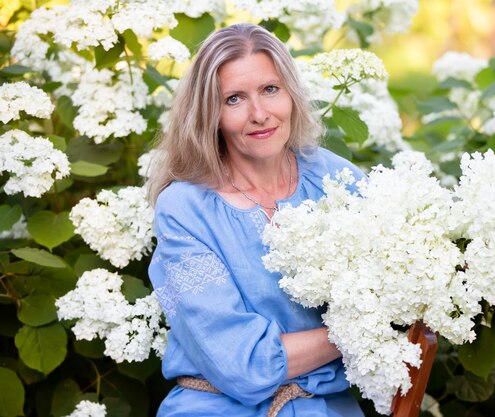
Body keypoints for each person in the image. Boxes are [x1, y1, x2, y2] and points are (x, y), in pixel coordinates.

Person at [147, 23, 366, 417]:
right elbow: (244, 364)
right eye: (233, 99)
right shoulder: (184, 210)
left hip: (328, 408)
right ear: (208, 114)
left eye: (270, 89)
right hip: (213, 407)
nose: (260, 115)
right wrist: (367, 327)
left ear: (291, 94)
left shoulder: (336, 179)